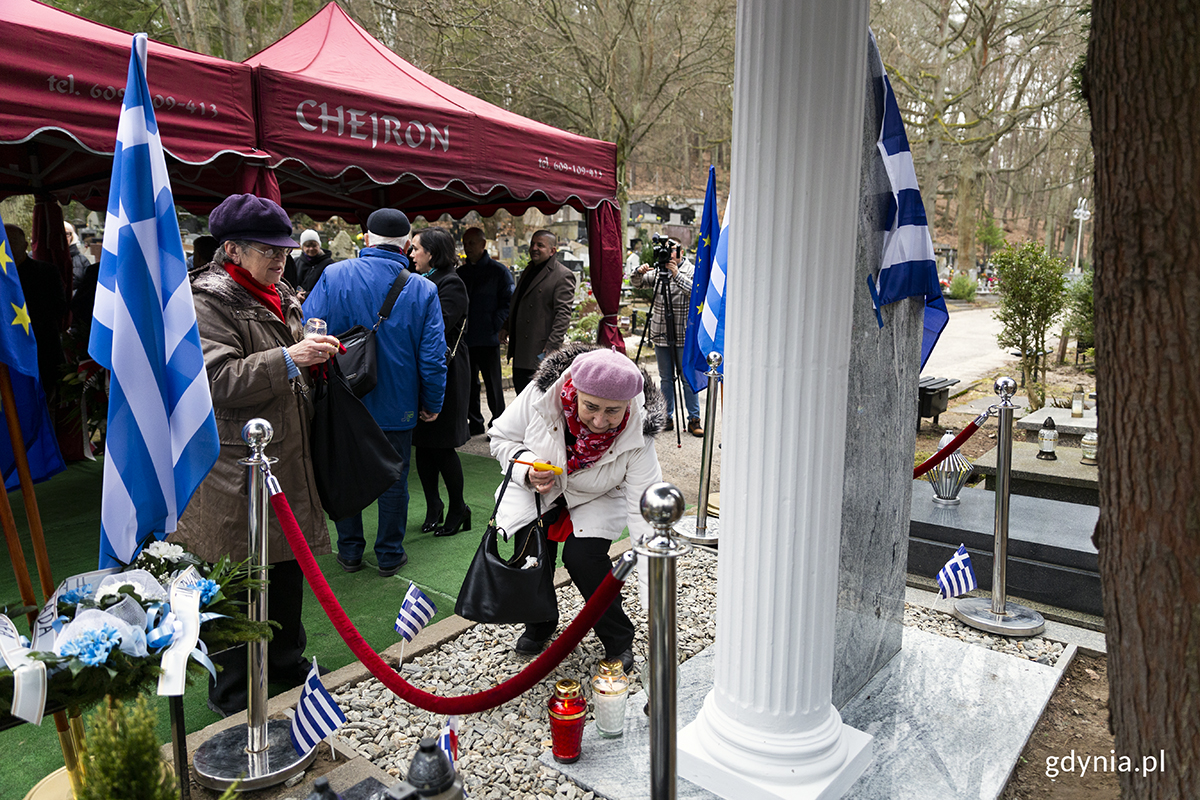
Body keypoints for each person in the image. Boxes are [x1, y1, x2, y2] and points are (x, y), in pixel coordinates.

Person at [170, 193, 341, 717]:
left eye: (284, 250)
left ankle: (287, 665)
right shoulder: (205, 301)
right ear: (232, 250)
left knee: (287, 569)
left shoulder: (277, 291)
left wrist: (312, 354)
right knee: (238, 580)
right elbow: (216, 381)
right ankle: (233, 692)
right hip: (233, 469)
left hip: (286, 457)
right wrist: (290, 358)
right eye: (267, 250)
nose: (280, 259)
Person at [488, 345, 666, 672]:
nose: (600, 421)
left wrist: (654, 599)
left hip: (598, 495)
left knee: (583, 558)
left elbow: (646, 511)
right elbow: (500, 438)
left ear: (630, 404)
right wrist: (525, 468)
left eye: (613, 411)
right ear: (574, 389)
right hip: (540, 485)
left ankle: (619, 637)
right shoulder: (541, 394)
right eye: (591, 407)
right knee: (530, 547)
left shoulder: (640, 430)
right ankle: (539, 621)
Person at [303, 208, 446, 577]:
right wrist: (432, 401)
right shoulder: (424, 288)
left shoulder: (333, 275)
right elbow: (432, 356)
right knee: (394, 478)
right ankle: (389, 553)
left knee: (345, 470)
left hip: (343, 396)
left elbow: (308, 330)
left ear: (366, 239)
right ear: (406, 243)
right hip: (397, 401)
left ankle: (349, 551)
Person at [409, 228, 472, 536]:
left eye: (417, 249)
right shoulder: (421, 280)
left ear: (431, 253)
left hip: (446, 372)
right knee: (422, 443)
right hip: (423, 370)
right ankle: (434, 505)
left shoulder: (451, 283)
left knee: (443, 446)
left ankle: (459, 507)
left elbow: (439, 327)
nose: (411, 254)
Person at [629, 245, 704, 437]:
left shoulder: (692, 270)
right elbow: (636, 283)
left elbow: (695, 293)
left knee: (687, 378)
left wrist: (676, 274)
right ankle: (666, 417)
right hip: (660, 333)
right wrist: (639, 271)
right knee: (665, 378)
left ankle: (694, 419)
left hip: (683, 335)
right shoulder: (658, 272)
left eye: (672, 250)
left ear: (681, 252)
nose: (668, 255)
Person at [501, 230, 575, 395]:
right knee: (521, 395)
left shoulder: (562, 275)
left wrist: (551, 349)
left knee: (535, 401)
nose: (534, 248)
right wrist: (507, 325)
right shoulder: (530, 269)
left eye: (540, 245)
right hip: (521, 348)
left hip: (540, 351)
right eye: (532, 244)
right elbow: (519, 301)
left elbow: (563, 315)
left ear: (552, 251)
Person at [458, 227, 513, 435]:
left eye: (472, 243)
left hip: (489, 337)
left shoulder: (498, 272)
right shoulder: (461, 273)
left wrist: (497, 324)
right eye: (465, 243)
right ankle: (475, 422)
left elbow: (508, 302)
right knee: (470, 383)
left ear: (483, 245)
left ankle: (499, 424)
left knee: (493, 384)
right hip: (466, 338)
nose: (467, 247)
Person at [5, 224, 67, 393]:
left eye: (11, 241)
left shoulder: (46, 272)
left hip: (42, 351)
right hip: (9, 355)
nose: (6, 247)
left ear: (25, 245)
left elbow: (59, 307)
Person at [296, 229, 334, 297]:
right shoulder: (296, 263)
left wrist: (306, 295)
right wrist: (297, 295)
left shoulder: (328, 264)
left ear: (319, 245)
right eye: (307, 246)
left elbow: (330, 286)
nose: (311, 249)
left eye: (314, 245)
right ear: (302, 247)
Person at [64, 222, 92, 295]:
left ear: (72, 236)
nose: (63, 237)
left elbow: (89, 286)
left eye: (66, 234)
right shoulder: (35, 257)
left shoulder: (82, 260)